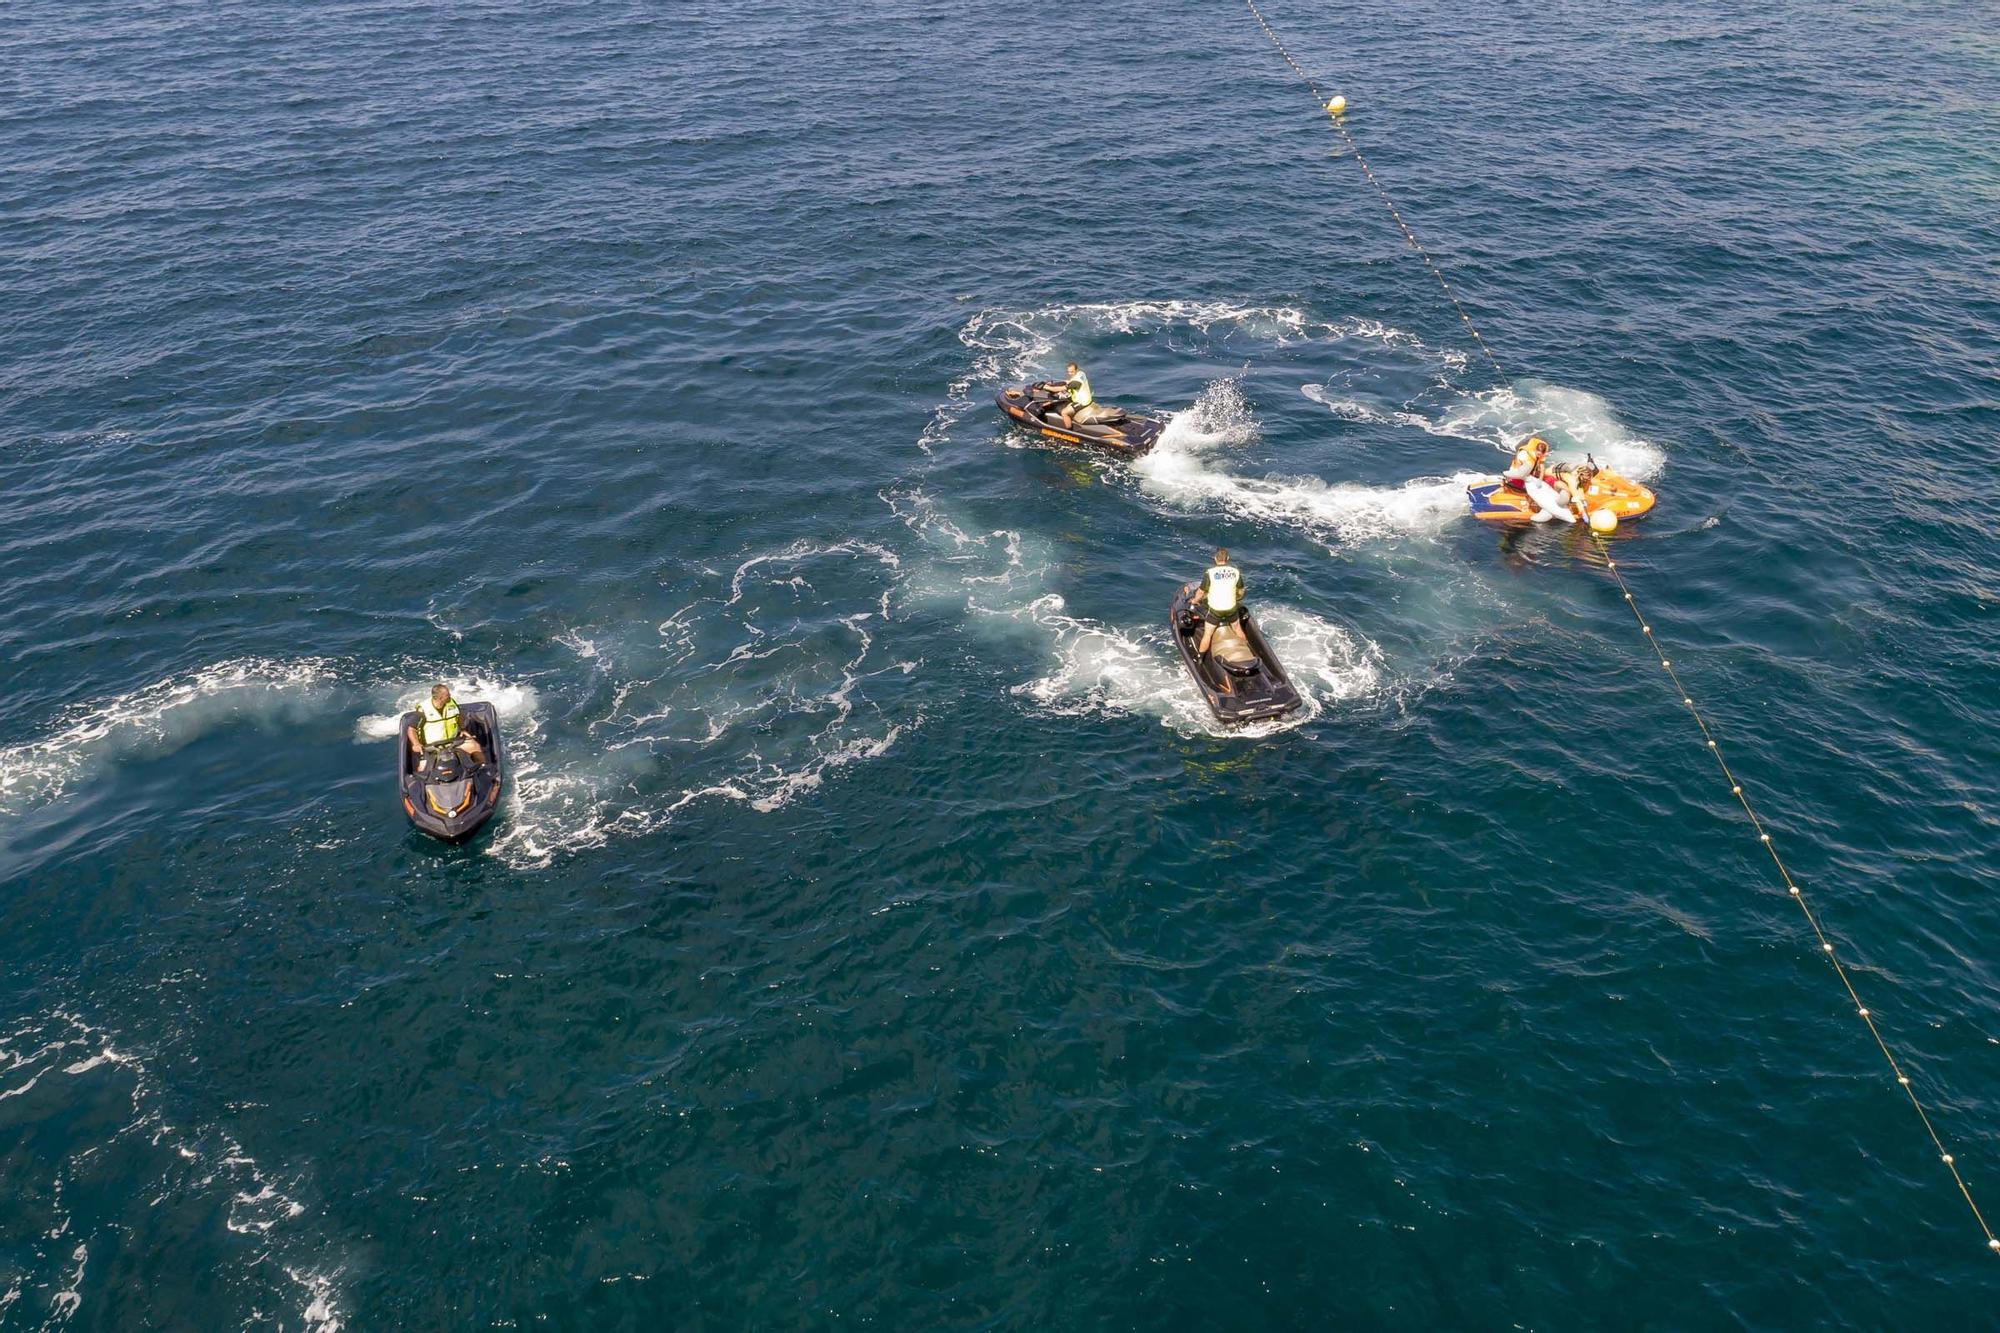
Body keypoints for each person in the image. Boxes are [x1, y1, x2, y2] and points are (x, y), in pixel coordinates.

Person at [406, 683, 485, 766]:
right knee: (423, 767)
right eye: (447, 695)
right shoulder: (423, 710)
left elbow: (459, 714)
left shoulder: (451, 702)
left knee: (475, 746)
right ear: (440, 698)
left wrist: (462, 728)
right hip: (432, 747)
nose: (450, 695)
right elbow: (411, 729)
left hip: (453, 742)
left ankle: (483, 769)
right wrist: (416, 744)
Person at [1191, 547, 1245, 658]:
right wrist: (1237, 598)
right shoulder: (1236, 572)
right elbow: (1241, 590)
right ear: (1228, 558)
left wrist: (1194, 601)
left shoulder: (1210, 573)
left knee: (1207, 634)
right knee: (1237, 629)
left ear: (1215, 559)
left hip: (1216, 610)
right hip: (1231, 608)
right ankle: (1246, 650)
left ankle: (1200, 658)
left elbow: (1201, 592)